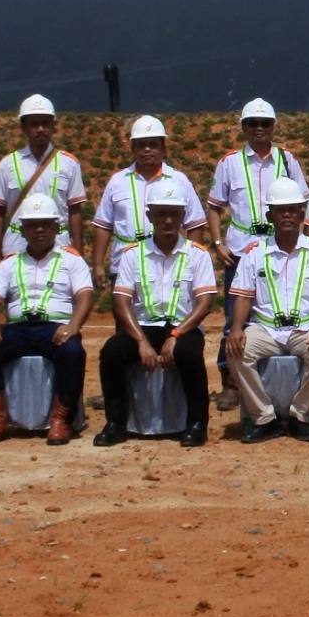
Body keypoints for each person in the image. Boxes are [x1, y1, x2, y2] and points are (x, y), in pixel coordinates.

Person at [98, 185, 220, 447]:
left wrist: (176, 335)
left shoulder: (197, 254)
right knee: (111, 352)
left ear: (183, 217)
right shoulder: (132, 254)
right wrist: (141, 341)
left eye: (174, 214)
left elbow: (205, 304)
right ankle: (116, 423)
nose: (168, 220)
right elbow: (121, 303)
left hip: (183, 327)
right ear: (149, 215)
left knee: (188, 353)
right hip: (143, 327)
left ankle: (197, 423)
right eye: (161, 213)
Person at [223, 184, 309, 443]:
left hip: (306, 326)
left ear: (301, 214)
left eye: (292, 209)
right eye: (280, 210)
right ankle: (264, 418)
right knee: (235, 351)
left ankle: (301, 415)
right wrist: (236, 328)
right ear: (270, 216)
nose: (287, 215)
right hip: (265, 328)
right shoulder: (254, 253)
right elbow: (244, 296)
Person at [0, 197, 96, 445]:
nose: (39, 230)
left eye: (46, 224)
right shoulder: (10, 263)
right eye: (32, 225)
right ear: (22, 230)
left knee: (72, 352)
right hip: (18, 328)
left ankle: (60, 419)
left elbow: (85, 295)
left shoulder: (72, 260)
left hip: (55, 327)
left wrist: (73, 325)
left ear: (57, 227)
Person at [93, 115, 210, 279]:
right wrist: (97, 264)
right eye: (141, 145)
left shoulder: (179, 180)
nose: (147, 149)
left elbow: (194, 224)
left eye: (153, 145)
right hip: (125, 265)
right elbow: (104, 225)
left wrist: (193, 263)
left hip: (168, 265)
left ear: (163, 148)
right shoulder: (117, 181)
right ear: (133, 149)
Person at [207, 99, 308, 276]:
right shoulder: (229, 162)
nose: (259, 128)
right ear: (244, 127)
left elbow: (303, 205)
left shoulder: (287, 160)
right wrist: (218, 244)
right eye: (253, 123)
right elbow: (214, 207)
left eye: (265, 123)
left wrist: (299, 239)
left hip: (279, 249)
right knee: (237, 295)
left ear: (273, 126)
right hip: (239, 251)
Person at [0, 93, 89, 261]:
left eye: (45, 123)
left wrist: (79, 255)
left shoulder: (69, 163)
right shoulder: (8, 164)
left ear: (53, 126)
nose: (40, 129)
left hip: (58, 246)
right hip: (17, 246)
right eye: (34, 124)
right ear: (24, 127)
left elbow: (75, 211)